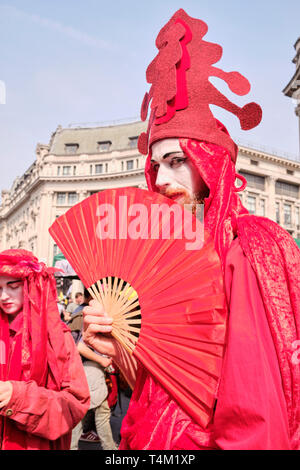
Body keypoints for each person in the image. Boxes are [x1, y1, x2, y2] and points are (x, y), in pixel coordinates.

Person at [83, 9, 300, 450]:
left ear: (210, 165)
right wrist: (119, 350)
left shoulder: (248, 247)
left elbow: (254, 416)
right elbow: (160, 385)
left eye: (177, 161)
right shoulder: (163, 262)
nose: (161, 181)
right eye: (156, 164)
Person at [0, 249, 90, 450]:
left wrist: (17, 397)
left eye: (12, 286)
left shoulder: (57, 336)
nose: (4, 296)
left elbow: (74, 405)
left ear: (30, 285)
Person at [70, 289, 117, 450]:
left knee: (92, 412)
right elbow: (79, 347)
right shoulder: (84, 316)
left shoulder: (83, 313)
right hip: (88, 370)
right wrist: (103, 360)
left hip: (87, 370)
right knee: (85, 413)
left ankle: (108, 446)